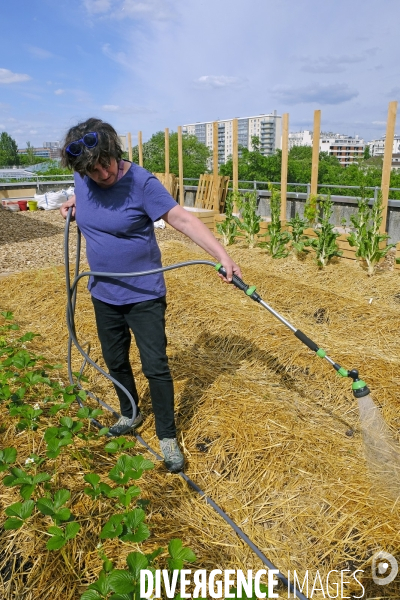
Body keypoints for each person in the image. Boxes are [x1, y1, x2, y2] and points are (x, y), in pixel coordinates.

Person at [60, 117, 242, 473]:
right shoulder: (83, 177)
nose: (102, 174)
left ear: (114, 151)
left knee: (155, 366)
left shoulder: (141, 182)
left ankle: (167, 436)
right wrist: (74, 203)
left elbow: (182, 218)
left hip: (143, 294)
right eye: (92, 170)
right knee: (115, 360)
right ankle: (130, 412)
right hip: (104, 293)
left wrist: (222, 256)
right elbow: (85, 193)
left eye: (105, 163)